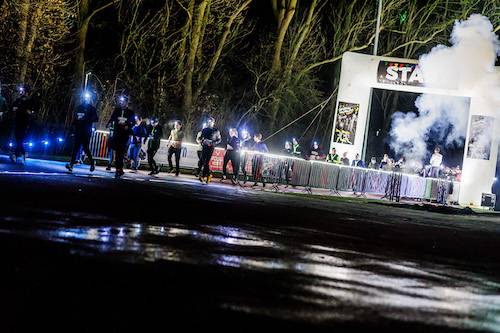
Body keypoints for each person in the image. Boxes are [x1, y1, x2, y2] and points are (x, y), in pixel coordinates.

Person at [65, 92, 98, 172]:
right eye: (84, 98)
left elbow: (96, 119)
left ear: (89, 99)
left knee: (86, 148)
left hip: (86, 132)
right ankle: (71, 165)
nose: (85, 99)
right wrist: (72, 128)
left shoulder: (91, 108)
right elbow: (75, 119)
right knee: (75, 148)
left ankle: (92, 163)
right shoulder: (78, 108)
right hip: (78, 130)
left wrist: (87, 119)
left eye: (87, 98)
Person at [109, 95, 135, 178]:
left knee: (121, 152)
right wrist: (109, 123)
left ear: (127, 103)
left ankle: (120, 168)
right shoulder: (117, 110)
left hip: (125, 134)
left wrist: (128, 125)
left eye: (124, 102)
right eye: (121, 102)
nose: (122, 103)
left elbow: (133, 122)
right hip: (117, 133)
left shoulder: (130, 112)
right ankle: (118, 169)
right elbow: (112, 118)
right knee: (117, 152)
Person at [10, 85, 36, 164]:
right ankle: (23, 153)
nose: (21, 92)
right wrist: (15, 108)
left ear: (27, 92)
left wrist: (29, 112)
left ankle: (15, 154)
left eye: (23, 91)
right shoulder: (18, 100)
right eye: (21, 91)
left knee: (20, 138)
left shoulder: (30, 100)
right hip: (17, 121)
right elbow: (12, 107)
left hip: (25, 122)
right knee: (18, 138)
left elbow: (32, 111)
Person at [199, 117, 221, 184]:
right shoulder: (204, 129)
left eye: (211, 122)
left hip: (211, 147)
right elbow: (200, 138)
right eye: (208, 121)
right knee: (203, 161)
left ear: (213, 123)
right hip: (204, 146)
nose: (209, 123)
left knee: (206, 161)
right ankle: (209, 175)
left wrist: (212, 142)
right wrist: (202, 141)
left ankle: (203, 176)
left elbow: (219, 140)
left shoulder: (216, 131)